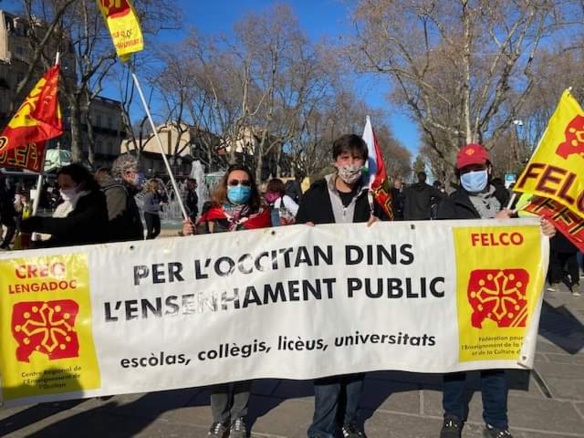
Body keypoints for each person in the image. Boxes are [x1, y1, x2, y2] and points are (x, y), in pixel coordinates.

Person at [437, 143, 555, 438]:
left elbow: (534, 234)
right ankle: (452, 414)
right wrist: (493, 225)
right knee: (454, 361)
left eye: (477, 168)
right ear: (458, 174)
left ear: (489, 169)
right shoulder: (450, 204)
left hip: (502, 294)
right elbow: (441, 242)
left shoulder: (511, 201)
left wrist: (544, 231)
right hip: (461, 292)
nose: (472, 174)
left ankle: (496, 423)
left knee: (495, 363)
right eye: (466, 170)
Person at [296, 133, 388, 438]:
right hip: (323, 294)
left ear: (364, 163)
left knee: (356, 361)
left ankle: (349, 420)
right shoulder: (315, 195)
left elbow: (400, 243)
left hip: (362, 295)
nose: (350, 164)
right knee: (326, 360)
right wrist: (304, 232)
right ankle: (321, 428)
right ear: (335, 161)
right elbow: (296, 237)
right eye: (344, 158)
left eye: (356, 159)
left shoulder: (376, 198)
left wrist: (382, 228)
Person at [182, 164, 271, 438]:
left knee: (244, 359)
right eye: (234, 182)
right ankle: (219, 417)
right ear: (226, 184)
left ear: (252, 185)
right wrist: (187, 235)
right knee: (218, 360)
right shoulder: (210, 214)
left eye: (244, 182)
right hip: (215, 301)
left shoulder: (263, 215)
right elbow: (191, 256)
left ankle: (239, 418)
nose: (239, 187)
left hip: (248, 300)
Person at [20, 163, 110, 247]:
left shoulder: (93, 200)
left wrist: (38, 223)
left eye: (66, 186)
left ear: (81, 184)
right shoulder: (65, 203)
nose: (62, 190)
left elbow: (73, 225)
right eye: (60, 186)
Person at [97, 156, 144, 242]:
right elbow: (115, 223)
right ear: (127, 174)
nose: (141, 175)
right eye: (138, 172)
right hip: (122, 248)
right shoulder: (118, 192)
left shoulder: (124, 190)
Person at [548, 231, 581, 296]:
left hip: (571, 235)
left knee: (572, 262)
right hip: (558, 234)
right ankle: (555, 281)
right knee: (556, 260)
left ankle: (575, 284)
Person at [0, 177, 17, 250]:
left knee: (12, 226)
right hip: (4, 210)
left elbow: (7, 200)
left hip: (5, 211)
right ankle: (4, 244)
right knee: (11, 226)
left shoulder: (4, 188)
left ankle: (4, 244)